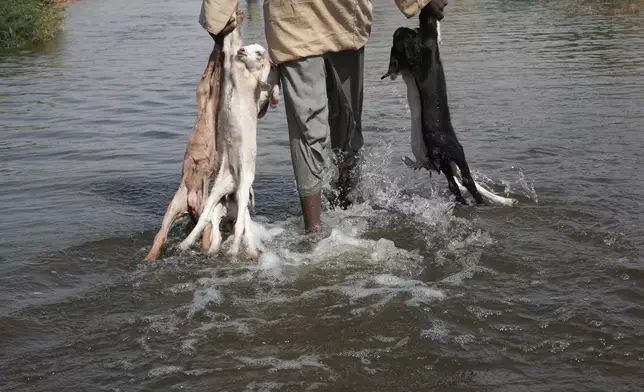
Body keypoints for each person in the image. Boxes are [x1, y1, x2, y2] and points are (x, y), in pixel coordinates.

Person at [199, 0, 447, 233]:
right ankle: (315, 231)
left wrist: (216, 17)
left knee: (342, 125)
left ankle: (339, 213)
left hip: (338, 19)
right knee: (315, 127)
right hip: (302, 18)